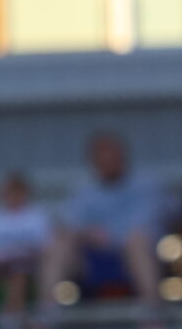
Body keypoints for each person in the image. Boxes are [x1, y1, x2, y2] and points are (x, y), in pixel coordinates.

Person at [56, 131, 165, 307]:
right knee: (59, 245)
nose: (108, 164)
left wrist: (108, 236)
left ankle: (152, 309)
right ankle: (48, 312)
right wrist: (87, 234)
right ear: (94, 162)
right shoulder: (83, 190)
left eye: (112, 159)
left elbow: (145, 226)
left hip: (133, 254)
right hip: (91, 258)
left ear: (123, 158)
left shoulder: (145, 186)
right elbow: (68, 225)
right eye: (103, 160)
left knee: (137, 242)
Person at [0, 172, 55, 328]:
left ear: (26, 193)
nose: (14, 196)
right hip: (0, 267)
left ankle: (12, 323)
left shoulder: (38, 217)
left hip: (30, 267)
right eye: (10, 192)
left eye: (18, 192)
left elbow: (46, 248)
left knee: (18, 277)